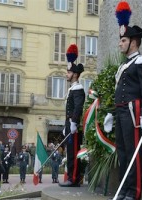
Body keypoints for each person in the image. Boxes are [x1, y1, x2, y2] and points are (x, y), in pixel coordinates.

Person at [104, 2, 142, 200]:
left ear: (133, 41)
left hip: (134, 114)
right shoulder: (124, 66)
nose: (120, 43)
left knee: (134, 155)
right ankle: (124, 190)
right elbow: (119, 91)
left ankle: (134, 193)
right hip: (122, 113)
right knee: (124, 154)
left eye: (123, 40)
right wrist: (111, 112)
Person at [59, 44, 85, 187]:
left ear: (75, 74)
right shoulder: (72, 89)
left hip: (73, 125)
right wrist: (66, 125)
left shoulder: (78, 89)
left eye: (68, 72)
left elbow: (78, 108)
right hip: (69, 124)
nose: (66, 74)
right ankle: (71, 177)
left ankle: (73, 178)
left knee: (74, 152)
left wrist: (74, 122)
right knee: (70, 152)